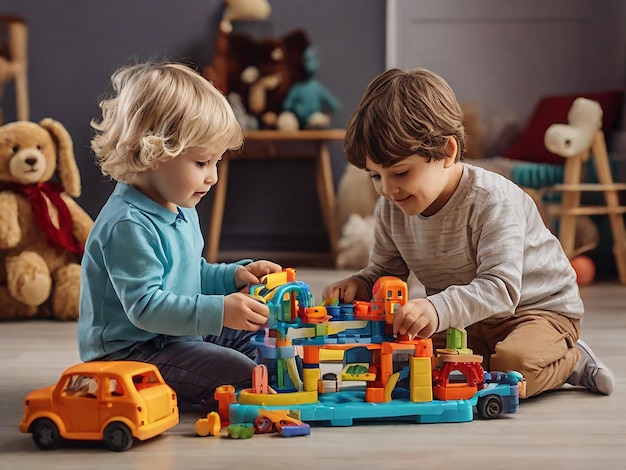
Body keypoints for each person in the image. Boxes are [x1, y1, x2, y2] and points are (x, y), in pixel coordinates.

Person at [323, 67, 614, 397]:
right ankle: (493, 357)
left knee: (511, 374)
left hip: (534, 312)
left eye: (400, 172)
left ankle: (571, 361)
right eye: (375, 176)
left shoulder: (492, 200)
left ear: (447, 152)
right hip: (468, 319)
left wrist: (436, 308)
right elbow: (387, 272)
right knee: (408, 364)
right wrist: (360, 284)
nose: (387, 189)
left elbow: (501, 289)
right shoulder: (392, 209)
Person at [78, 61, 282, 409]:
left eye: (217, 162)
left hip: (174, 334)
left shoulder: (181, 206)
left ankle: (254, 379)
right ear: (153, 152)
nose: (213, 177)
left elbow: (190, 274)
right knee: (246, 376)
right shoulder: (128, 224)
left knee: (267, 341)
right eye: (202, 163)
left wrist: (233, 276)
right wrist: (218, 311)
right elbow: (146, 307)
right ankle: (186, 394)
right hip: (132, 354)